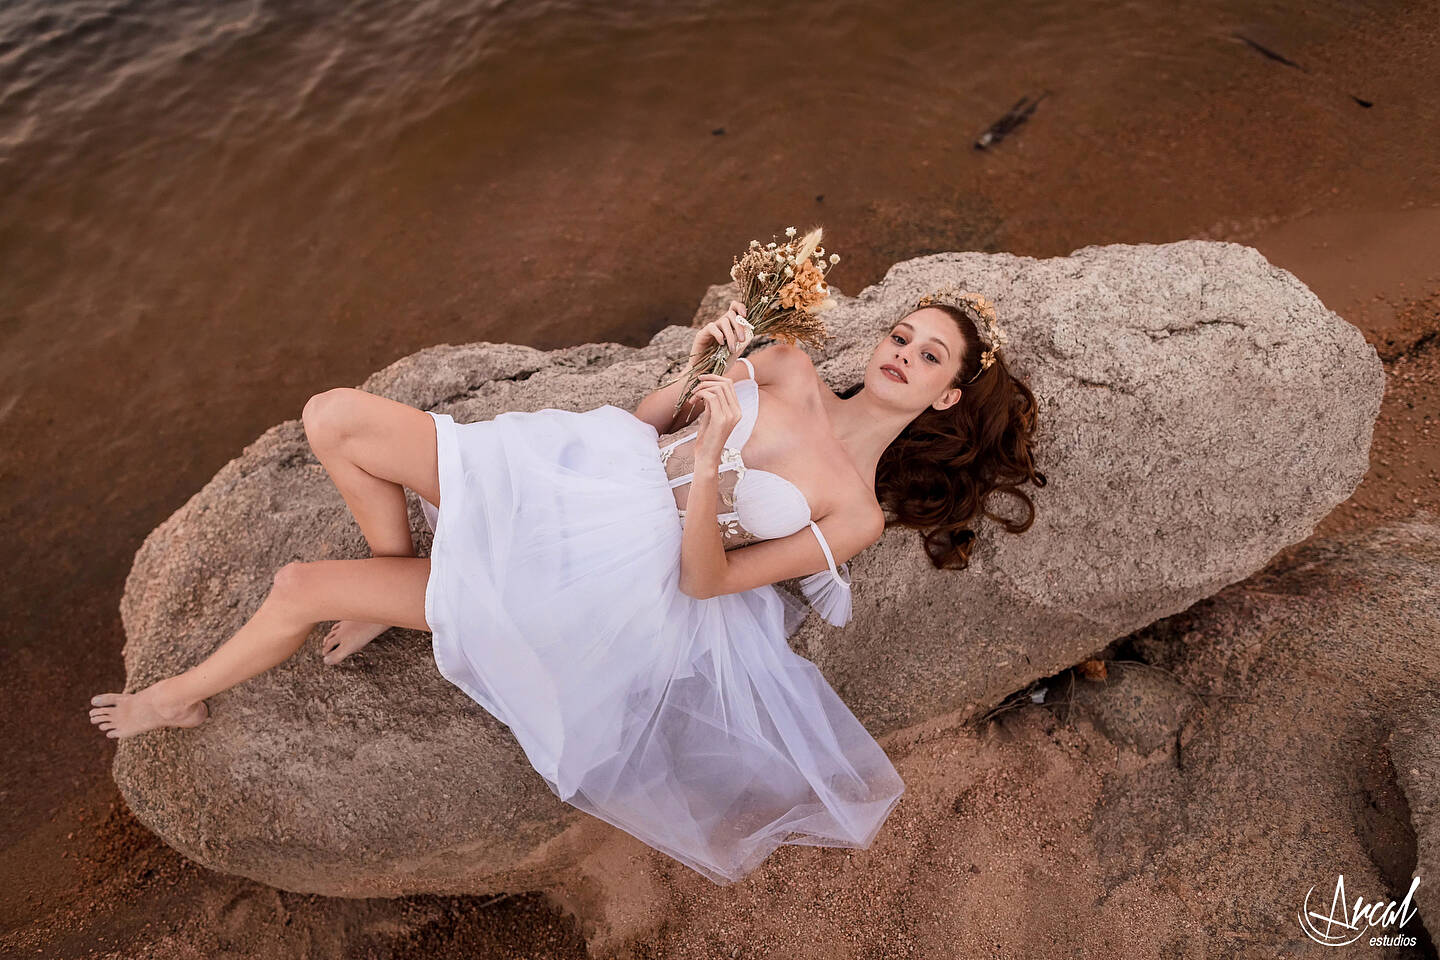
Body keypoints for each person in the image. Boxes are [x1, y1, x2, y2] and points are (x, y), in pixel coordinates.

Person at [88, 286, 1045, 884]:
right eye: (903, 334)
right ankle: (394, 579)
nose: (902, 354)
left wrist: (714, 454)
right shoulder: (788, 363)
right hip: (585, 476)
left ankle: (174, 701)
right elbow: (643, 421)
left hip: (619, 589)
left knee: (299, 584)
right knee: (332, 415)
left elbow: (708, 581)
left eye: (929, 358)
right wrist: (702, 365)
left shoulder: (856, 512)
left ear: (947, 397)